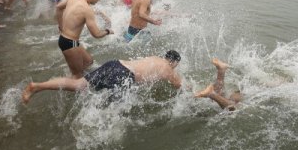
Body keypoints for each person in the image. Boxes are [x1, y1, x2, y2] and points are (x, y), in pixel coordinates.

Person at [22, 50, 182, 103]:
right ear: (174, 62)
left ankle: (37, 86)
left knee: (78, 85)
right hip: (123, 75)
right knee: (116, 110)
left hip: (114, 64)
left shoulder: (155, 58)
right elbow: (179, 86)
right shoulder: (167, 68)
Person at [56, 0, 113, 78]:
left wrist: (60, 26)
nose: (99, 0)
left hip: (66, 40)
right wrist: (108, 31)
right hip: (70, 43)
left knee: (88, 62)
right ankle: (70, 86)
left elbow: (58, 7)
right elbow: (97, 34)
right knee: (77, 76)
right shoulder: (87, 10)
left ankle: (76, 72)